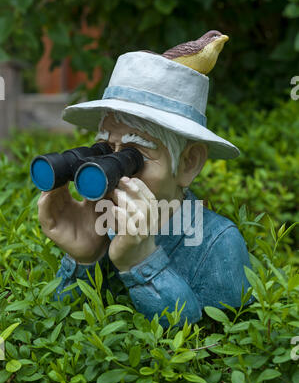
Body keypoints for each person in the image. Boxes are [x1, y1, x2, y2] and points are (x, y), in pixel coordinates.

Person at [37, 49, 253, 327]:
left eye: (132, 157)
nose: (111, 174)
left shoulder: (219, 244)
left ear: (188, 163)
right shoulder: (104, 224)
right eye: (103, 151)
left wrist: (142, 263)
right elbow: (58, 331)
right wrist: (84, 259)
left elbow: (215, 352)